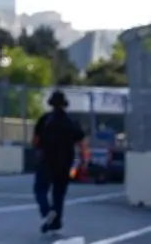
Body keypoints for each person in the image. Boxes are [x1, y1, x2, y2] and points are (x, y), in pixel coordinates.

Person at [32, 89, 88, 233]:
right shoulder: (72, 122)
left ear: (51, 104)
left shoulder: (45, 119)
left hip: (47, 159)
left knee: (40, 188)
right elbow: (81, 143)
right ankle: (55, 222)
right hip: (65, 162)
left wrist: (38, 150)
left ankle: (47, 211)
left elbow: (35, 140)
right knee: (59, 193)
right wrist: (83, 160)